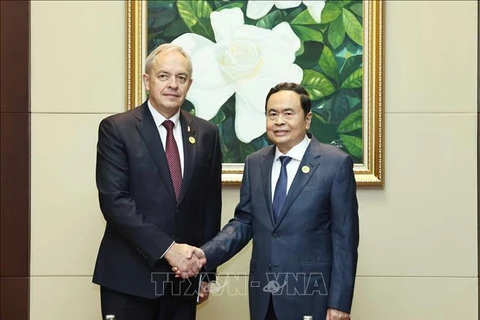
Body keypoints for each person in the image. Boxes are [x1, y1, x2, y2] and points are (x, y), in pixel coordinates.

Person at [189, 83, 359, 320]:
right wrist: (203, 255)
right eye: (272, 114)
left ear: (307, 119)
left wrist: (339, 304)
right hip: (264, 298)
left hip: (313, 298)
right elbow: (244, 222)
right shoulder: (255, 163)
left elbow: (345, 240)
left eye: (288, 113)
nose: (279, 121)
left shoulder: (335, 163)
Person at [93, 43, 222, 320]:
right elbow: (115, 202)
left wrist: (205, 271)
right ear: (146, 80)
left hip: (183, 281)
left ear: (189, 85)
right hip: (129, 278)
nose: (173, 85)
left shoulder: (206, 133)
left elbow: (210, 206)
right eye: (163, 76)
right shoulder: (117, 129)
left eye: (181, 78)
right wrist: (169, 250)